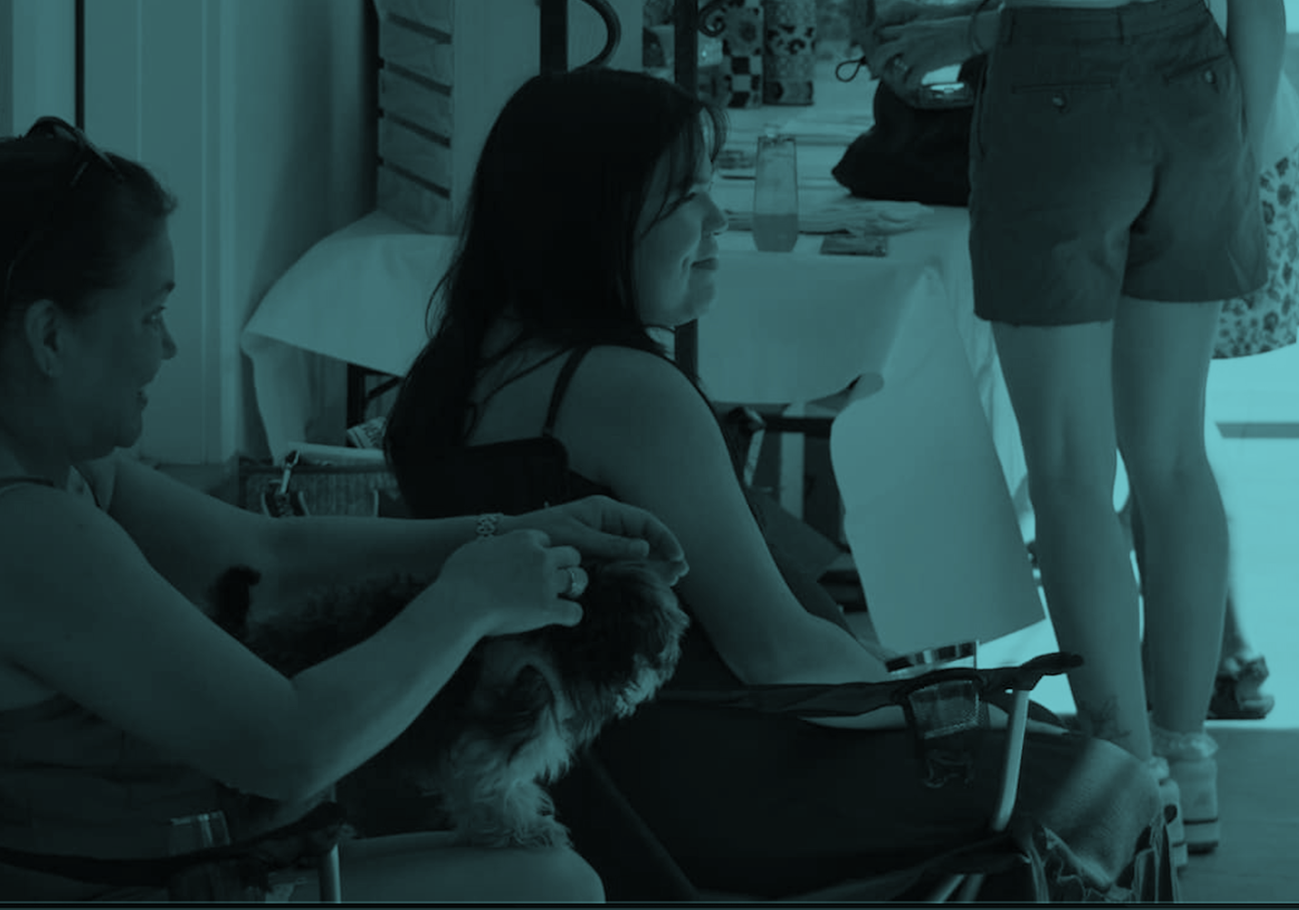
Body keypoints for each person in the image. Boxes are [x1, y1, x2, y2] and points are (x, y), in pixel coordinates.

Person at [0, 117, 683, 901]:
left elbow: (262, 556)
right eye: (151, 315)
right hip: (108, 891)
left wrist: (506, 531)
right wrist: (468, 601)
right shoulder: (14, 536)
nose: (168, 347)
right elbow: (286, 746)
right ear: (49, 336)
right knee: (549, 886)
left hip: (143, 868)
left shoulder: (33, 471)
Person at [380, 69, 1170, 900]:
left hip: (562, 776)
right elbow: (779, 656)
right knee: (1110, 789)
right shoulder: (618, 390)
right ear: (594, 215)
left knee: (1031, 741)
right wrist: (952, 706)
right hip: (711, 778)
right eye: (687, 193)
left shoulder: (445, 382)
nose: (720, 218)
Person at [803, 0, 1299, 731]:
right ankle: (1187, 756)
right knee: (1171, 458)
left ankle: (1121, 763)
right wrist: (1233, 144)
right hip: (1198, 92)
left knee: (1071, 471)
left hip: (1054, 98)